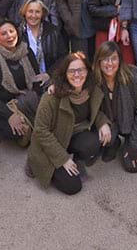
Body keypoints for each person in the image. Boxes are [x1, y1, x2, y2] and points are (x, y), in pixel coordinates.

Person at [26, 52, 111, 195]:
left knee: (93, 142)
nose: (77, 75)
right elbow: (41, 130)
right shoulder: (52, 96)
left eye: (81, 70)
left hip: (72, 134)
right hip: (50, 143)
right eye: (71, 71)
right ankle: (33, 163)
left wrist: (103, 123)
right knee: (73, 186)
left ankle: (77, 161)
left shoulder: (90, 89)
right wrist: (63, 159)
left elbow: (95, 111)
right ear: (64, 73)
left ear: (87, 71)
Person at [93, 41, 137, 172]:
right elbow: (92, 108)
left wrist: (135, 146)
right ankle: (114, 142)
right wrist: (102, 123)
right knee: (95, 141)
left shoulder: (133, 75)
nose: (109, 63)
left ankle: (130, 141)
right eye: (105, 59)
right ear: (98, 62)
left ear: (120, 59)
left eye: (114, 58)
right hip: (113, 121)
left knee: (132, 166)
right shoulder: (95, 79)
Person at [0, 19, 43, 146]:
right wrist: (10, 115)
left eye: (11, 31)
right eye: (3, 33)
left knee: (47, 125)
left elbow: (36, 79)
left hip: (26, 101)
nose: (9, 36)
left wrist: (33, 101)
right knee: (21, 132)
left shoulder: (26, 50)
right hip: (2, 106)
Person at [19, 0, 67, 79]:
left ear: (42, 14)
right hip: (24, 80)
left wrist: (49, 74)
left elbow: (63, 57)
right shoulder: (17, 32)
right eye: (30, 11)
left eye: (37, 12)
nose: (33, 15)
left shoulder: (53, 31)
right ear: (24, 13)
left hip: (50, 80)